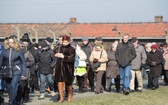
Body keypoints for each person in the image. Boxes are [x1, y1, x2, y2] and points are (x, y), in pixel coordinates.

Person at [0, 35, 27, 105]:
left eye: (12, 42)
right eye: (9, 42)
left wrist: (24, 73)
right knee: (8, 87)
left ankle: (11, 102)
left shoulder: (19, 50)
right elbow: (1, 61)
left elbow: (23, 62)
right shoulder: (4, 50)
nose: (10, 44)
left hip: (16, 70)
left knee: (13, 85)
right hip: (6, 71)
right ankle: (12, 99)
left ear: (15, 42)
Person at [54, 35, 75, 103]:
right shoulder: (58, 48)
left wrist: (64, 57)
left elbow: (72, 58)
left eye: (66, 42)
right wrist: (56, 55)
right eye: (63, 42)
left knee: (68, 83)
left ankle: (69, 95)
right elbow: (52, 54)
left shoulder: (72, 49)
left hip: (68, 68)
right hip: (59, 68)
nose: (64, 43)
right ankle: (61, 97)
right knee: (59, 83)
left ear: (69, 42)